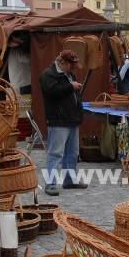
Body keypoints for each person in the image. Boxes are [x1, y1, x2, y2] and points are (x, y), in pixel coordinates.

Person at [39, 50, 87, 195]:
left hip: (71, 119)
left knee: (72, 153)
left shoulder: (69, 74)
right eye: (71, 65)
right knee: (55, 153)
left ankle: (70, 180)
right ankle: (50, 184)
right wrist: (71, 87)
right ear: (63, 63)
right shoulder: (48, 75)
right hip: (58, 120)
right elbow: (52, 92)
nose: (73, 68)